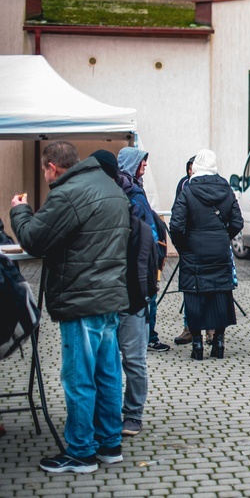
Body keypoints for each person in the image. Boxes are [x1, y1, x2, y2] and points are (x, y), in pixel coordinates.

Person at [11, 141, 129, 473]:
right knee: (107, 375)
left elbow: (33, 239)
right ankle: (109, 445)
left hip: (82, 299)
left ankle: (80, 451)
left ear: (52, 167)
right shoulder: (109, 187)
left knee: (78, 378)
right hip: (108, 298)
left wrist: (20, 209)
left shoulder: (69, 193)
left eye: (45, 169)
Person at [91, 148, 153, 439]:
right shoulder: (102, 197)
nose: (144, 166)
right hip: (111, 290)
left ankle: (132, 414)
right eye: (141, 161)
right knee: (112, 357)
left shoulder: (132, 196)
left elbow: (147, 243)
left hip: (131, 290)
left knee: (132, 357)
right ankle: (113, 413)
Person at [169, 149, 243, 360]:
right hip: (219, 251)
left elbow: (176, 225)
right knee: (221, 294)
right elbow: (237, 222)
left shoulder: (188, 191)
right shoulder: (227, 190)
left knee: (194, 297)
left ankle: (197, 346)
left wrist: (183, 246)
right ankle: (219, 344)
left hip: (194, 251)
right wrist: (222, 236)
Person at [117, 148, 171, 353]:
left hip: (130, 252)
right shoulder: (133, 191)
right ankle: (148, 337)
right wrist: (155, 251)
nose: (145, 165)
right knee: (149, 294)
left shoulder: (124, 186)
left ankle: (141, 335)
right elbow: (144, 225)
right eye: (142, 162)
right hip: (143, 253)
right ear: (132, 163)